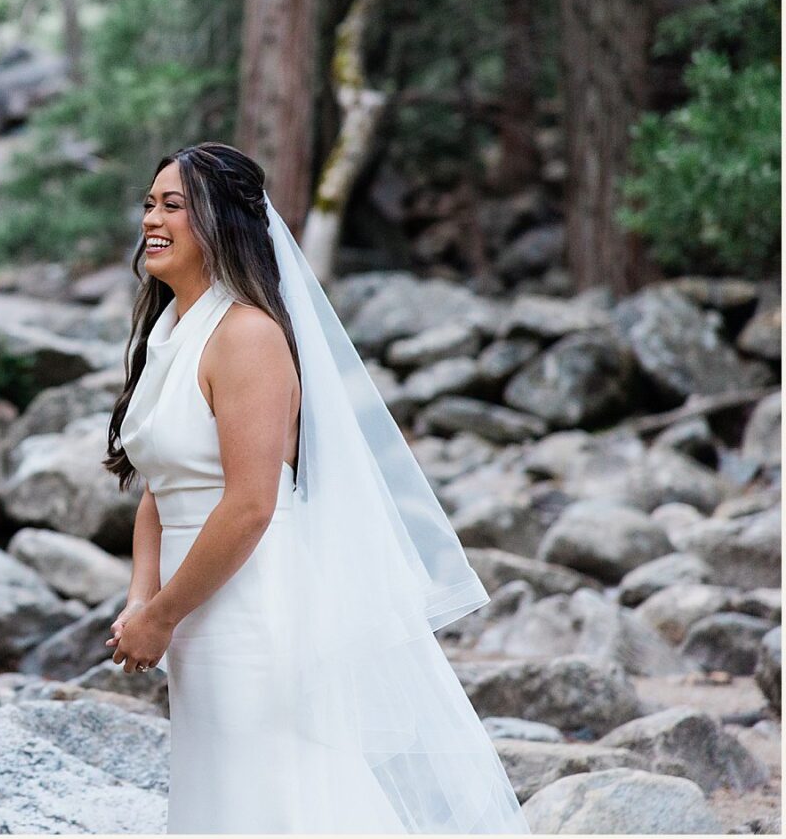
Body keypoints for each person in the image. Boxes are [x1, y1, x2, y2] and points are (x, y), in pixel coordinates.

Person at [105, 142, 526, 833]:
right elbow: (159, 489)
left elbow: (250, 506)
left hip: (253, 610)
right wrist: (140, 599)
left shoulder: (246, 336)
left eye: (174, 205)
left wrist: (162, 615)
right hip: (191, 612)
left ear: (221, 223)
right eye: (150, 204)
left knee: (275, 795)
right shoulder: (171, 333)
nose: (152, 218)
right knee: (219, 797)